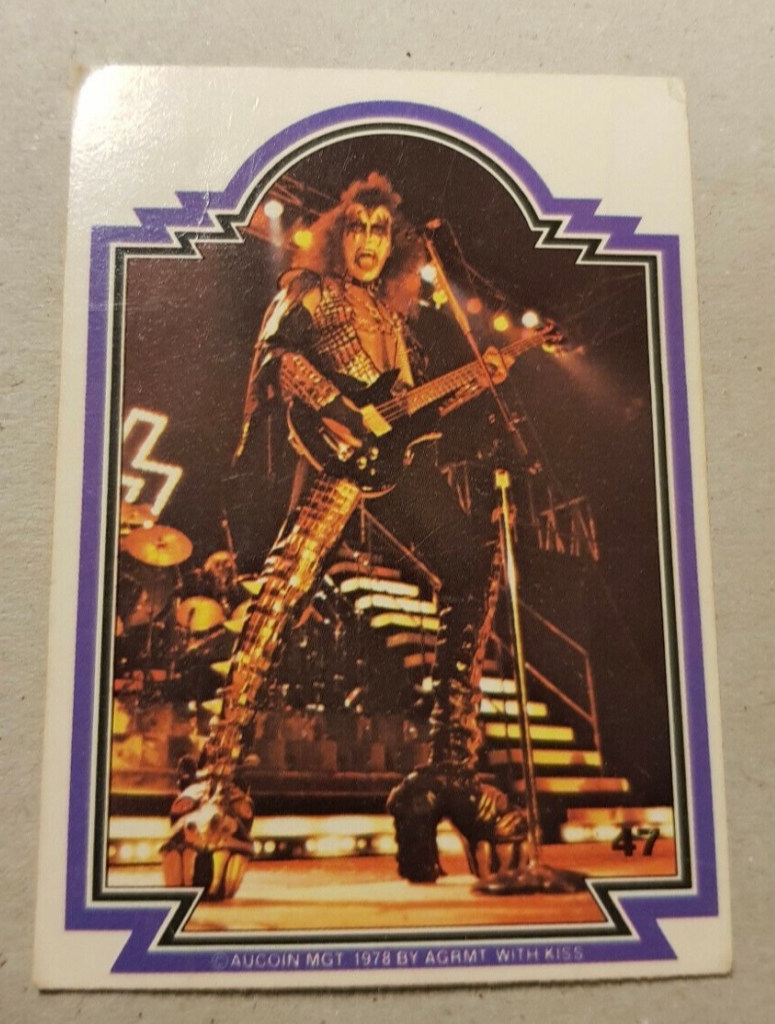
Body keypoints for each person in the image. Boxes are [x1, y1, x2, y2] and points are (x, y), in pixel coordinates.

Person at [163, 173, 533, 897]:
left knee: (472, 565)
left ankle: (449, 770)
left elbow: (411, 410)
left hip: (393, 462)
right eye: (357, 227)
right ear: (339, 234)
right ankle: (216, 772)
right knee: (283, 589)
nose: (368, 241)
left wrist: (479, 378)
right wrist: (339, 404)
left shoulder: (394, 315)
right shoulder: (310, 290)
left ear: (394, 244)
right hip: (334, 453)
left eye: (380, 230)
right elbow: (278, 359)